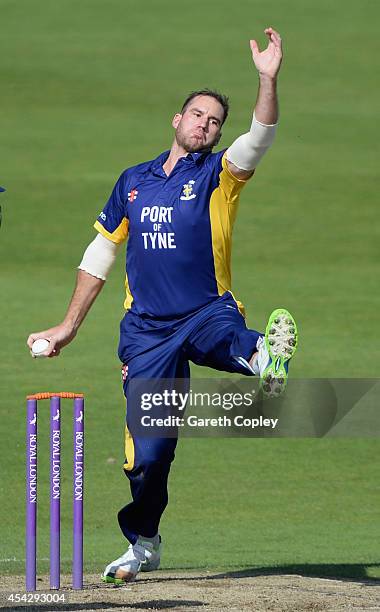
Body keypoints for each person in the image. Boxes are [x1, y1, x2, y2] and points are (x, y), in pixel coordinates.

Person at [27, 27, 298, 584]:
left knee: (224, 334)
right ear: (177, 120)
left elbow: (262, 136)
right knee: (148, 457)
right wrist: (67, 326)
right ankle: (144, 541)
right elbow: (101, 251)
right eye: (198, 115)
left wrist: (267, 79)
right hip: (146, 334)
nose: (206, 125)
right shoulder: (133, 182)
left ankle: (264, 359)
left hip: (205, 311)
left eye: (215, 121)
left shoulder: (220, 174)